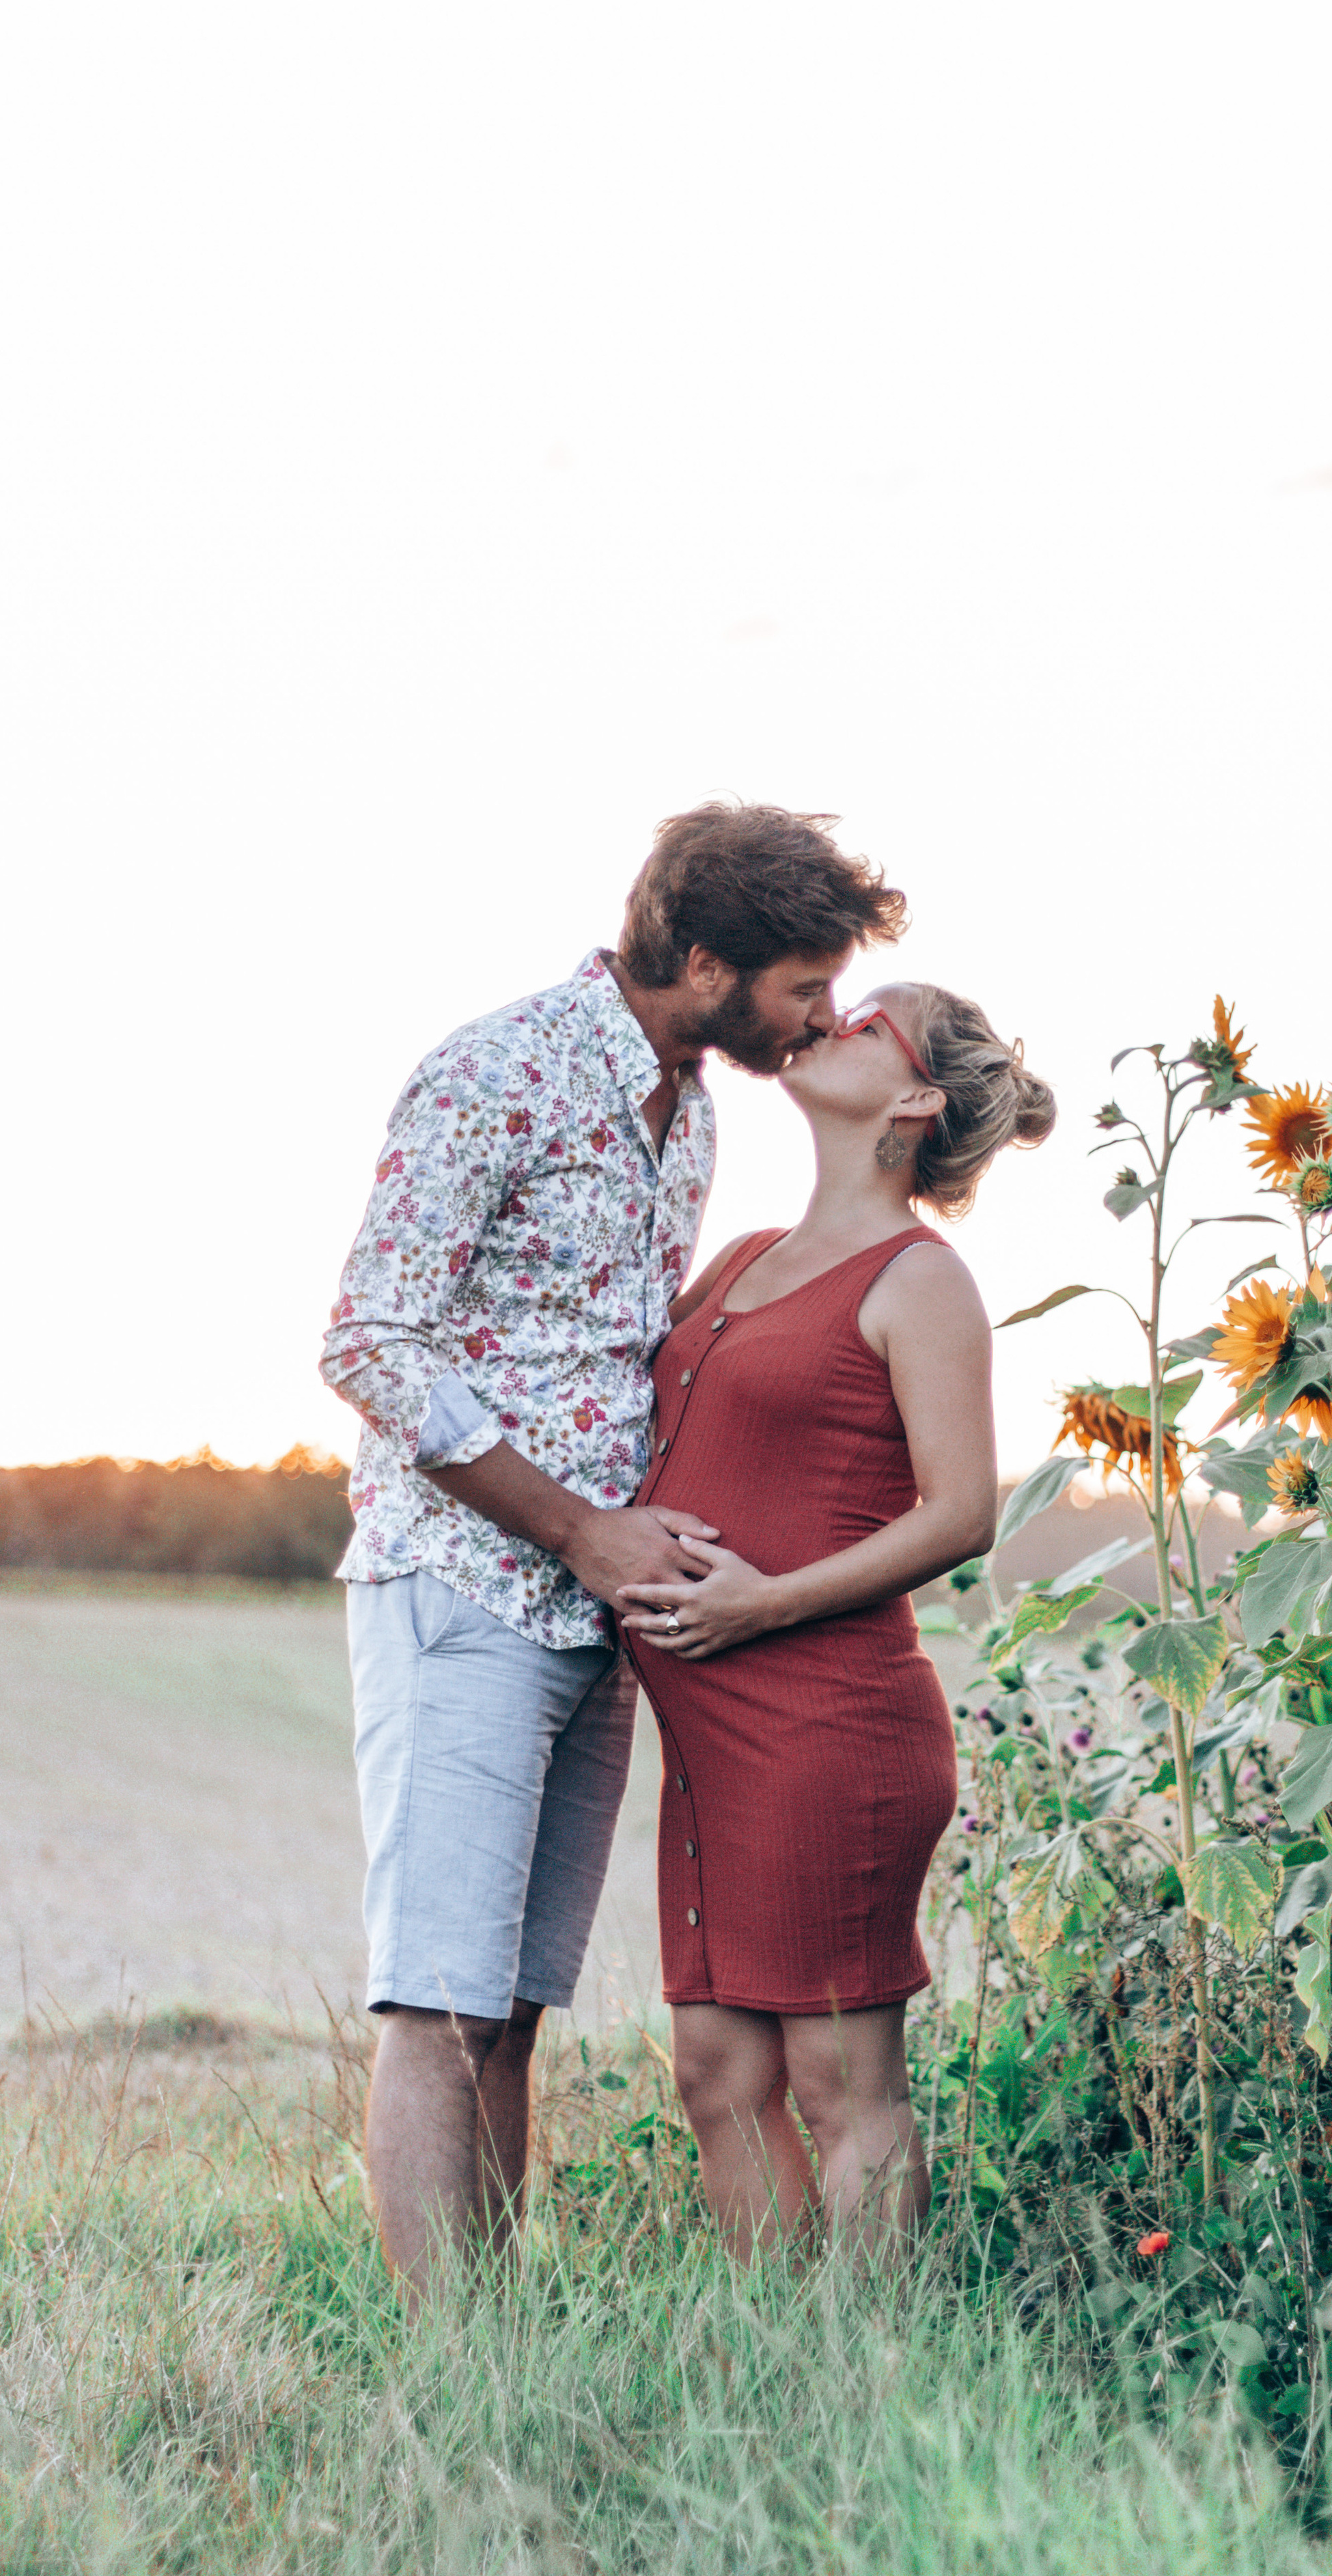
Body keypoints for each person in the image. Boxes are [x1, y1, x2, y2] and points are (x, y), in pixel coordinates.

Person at [318, 801, 907, 2307]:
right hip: (462, 1583)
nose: (820, 1016)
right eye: (800, 987)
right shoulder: (496, 1070)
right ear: (703, 958)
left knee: (508, 2009)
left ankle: (501, 2344)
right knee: (436, 2007)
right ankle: (458, 2375)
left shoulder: (688, 1106)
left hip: (595, 1622)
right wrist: (581, 1528)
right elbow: (369, 1338)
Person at [616, 980, 1056, 2259]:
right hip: (714, 1736)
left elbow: (962, 1512)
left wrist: (759, 1604)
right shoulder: (744, 1257)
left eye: (867, 1020)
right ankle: (788, 2364)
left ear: (914, 1099)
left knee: (838, 2079)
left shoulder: (920, 1279)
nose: (827, 1019)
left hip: (831, 1725)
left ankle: (873, 2379)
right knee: (714, 2070)